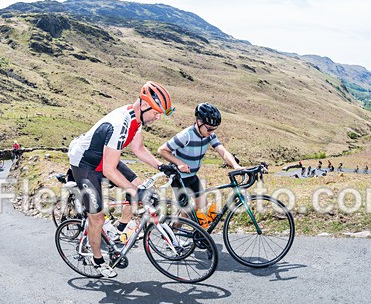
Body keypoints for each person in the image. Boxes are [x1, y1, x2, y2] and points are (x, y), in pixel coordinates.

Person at [68, 81, 174, 278]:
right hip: (86, 163)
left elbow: (138, 149)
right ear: (144, 105)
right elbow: (109, 170)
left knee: (137, 185)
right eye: (157, 112)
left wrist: (160, 166)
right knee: (97, 217)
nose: (158, 117)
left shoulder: (136, 118)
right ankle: (98, 259)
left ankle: (119, 228)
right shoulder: (120, 124)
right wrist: (136, 192)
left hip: (103, 157)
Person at [158, 102, 243, 226]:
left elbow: (222, 151)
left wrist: (236, 166)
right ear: (198, 121)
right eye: (208, 128)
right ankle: (174, 235)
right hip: (179, 177)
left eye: (214, 129)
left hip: (192, 175)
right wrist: (179, 163)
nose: (211, 131)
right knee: (186, 209)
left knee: (201, 203)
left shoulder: (209, 135)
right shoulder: (185, 135)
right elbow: (162, 150)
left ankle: (191, 227)